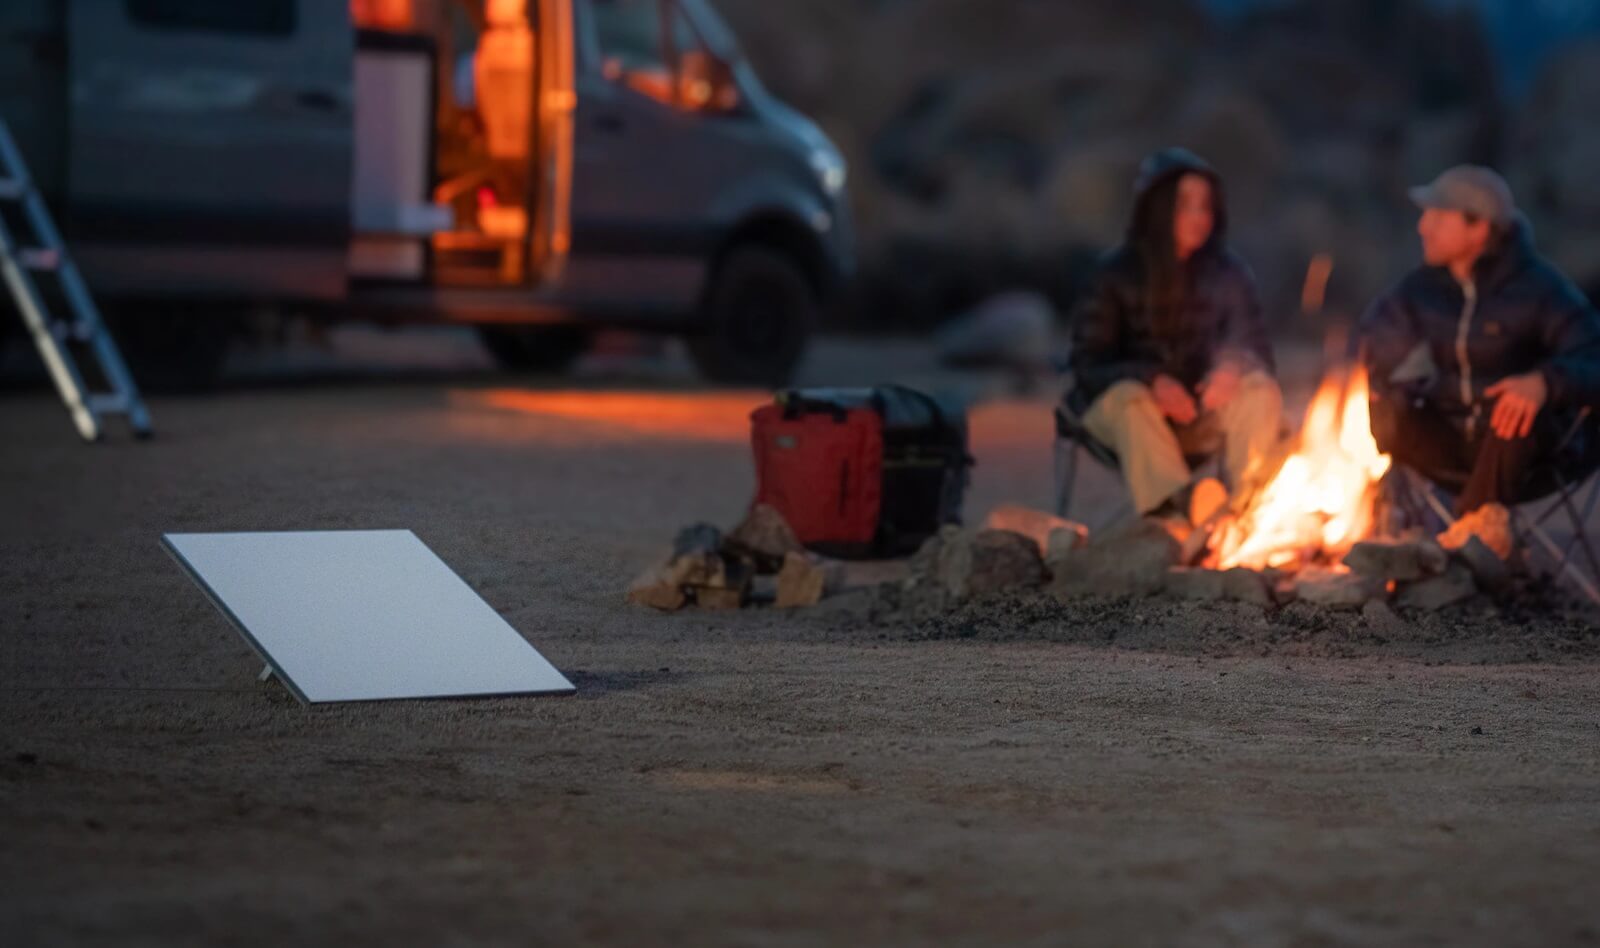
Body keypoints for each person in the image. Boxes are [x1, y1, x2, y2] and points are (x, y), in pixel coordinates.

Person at [1360, 165, 1600, 516]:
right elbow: (1365, 343)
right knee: (1384, 405)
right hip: (1451, 438)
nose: (1423, 227)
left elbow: (1593, 358)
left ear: (1479, 228)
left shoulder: (1539, 291)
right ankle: (1387, 527)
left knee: (1515, 411)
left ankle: (1468, 539)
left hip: (1526, 451)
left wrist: (1543, 383)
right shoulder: (1424, 288)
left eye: (1439, 217)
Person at [1069, 147, 1283, 522]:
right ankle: (1177, 511)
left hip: (1200, 413)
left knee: (1259, 389)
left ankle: (1250, 508)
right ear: (1158, 208)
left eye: (1206, 206)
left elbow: (1256, 345)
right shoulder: (1114, 275)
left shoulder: (1227, 273)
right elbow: (1088, 366)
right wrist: (1152, 380)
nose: (1199, 217)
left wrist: (1232, 366)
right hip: (1127, 417)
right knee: (1128, 399)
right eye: (1186, 205)